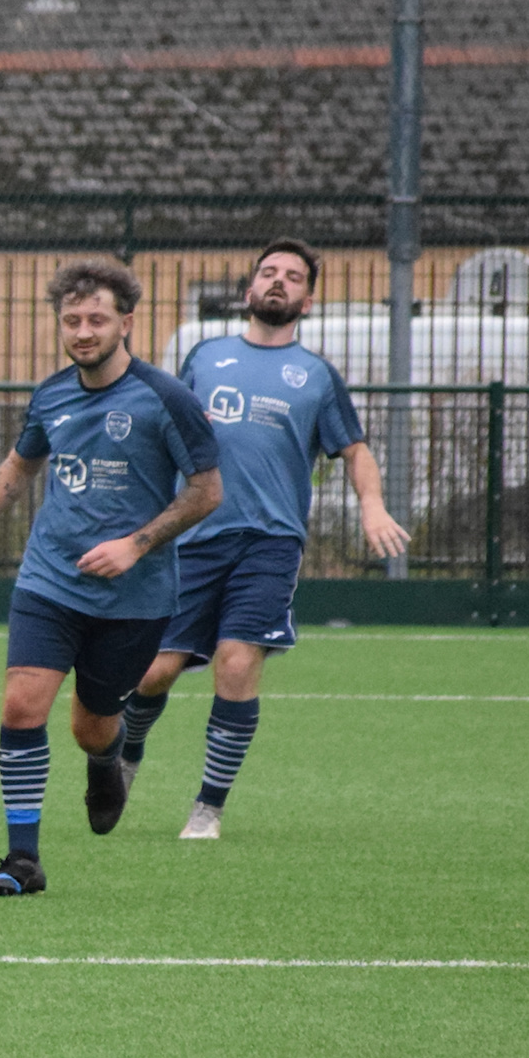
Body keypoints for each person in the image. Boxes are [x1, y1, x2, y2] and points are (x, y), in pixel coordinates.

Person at [118, 239, 410, 840]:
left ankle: (208, 808)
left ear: (308, 299)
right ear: (249, 289)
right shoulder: (206, 356)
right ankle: (127, 755)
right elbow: (164, 433)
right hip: (192, 538)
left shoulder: (317, 377)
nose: (279, 282)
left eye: (293, 277)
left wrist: (373, 506)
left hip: (269, 544)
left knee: (236, 662)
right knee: (152, 674)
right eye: (269, 272)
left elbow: (355, 450)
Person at [0, 259, 222, 896]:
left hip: (136, 597)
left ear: (126, 322)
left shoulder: (166, 398)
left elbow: (207, 491)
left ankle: (107, 757)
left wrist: (135, 544)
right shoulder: (51, 394)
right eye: (71, 320)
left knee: (91, 725)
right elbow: (21, 466)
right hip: (50, 580)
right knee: (21, 705)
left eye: (96, 319)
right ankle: (22, 860)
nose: (82, 331)